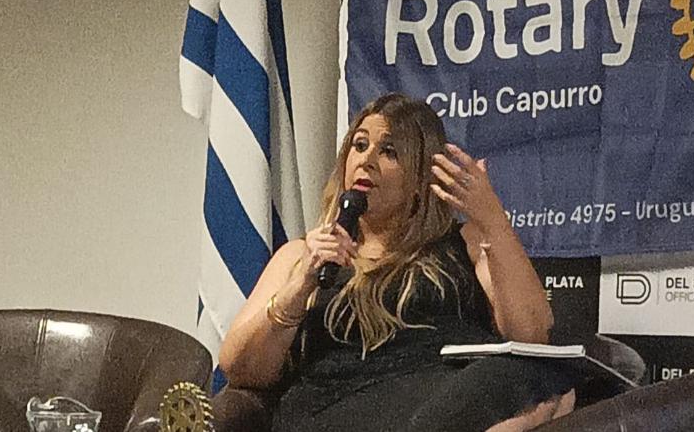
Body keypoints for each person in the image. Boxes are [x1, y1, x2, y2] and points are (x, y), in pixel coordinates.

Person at [218, 93, 576, 431]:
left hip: (437, 401)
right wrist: (299, 288)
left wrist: (493, 221)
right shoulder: (301, 255)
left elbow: (531, 334)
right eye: (359, 145)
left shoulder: (464, 243)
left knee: (532, 374)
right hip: (331, 407)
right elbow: (241, 370)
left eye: (389, 151)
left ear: (422, 178)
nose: (367, 160)